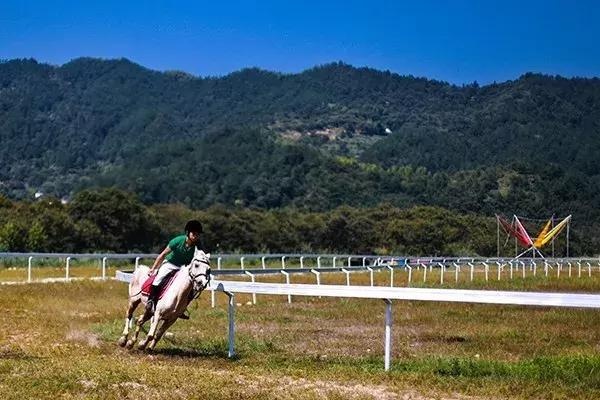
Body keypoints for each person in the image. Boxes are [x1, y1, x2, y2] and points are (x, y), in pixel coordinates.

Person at [146, 219, 204, 319]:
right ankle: (151, 301)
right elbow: (163, 254)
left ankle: (181, 308)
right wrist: (153, 268)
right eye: (194, 234)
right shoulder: (177, 241)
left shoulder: (197, 245)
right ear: (188, 233)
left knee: (189, 286)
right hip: (170, 264)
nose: (195, 236)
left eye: (197, 234)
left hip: (183, 268)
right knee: (158, 279)